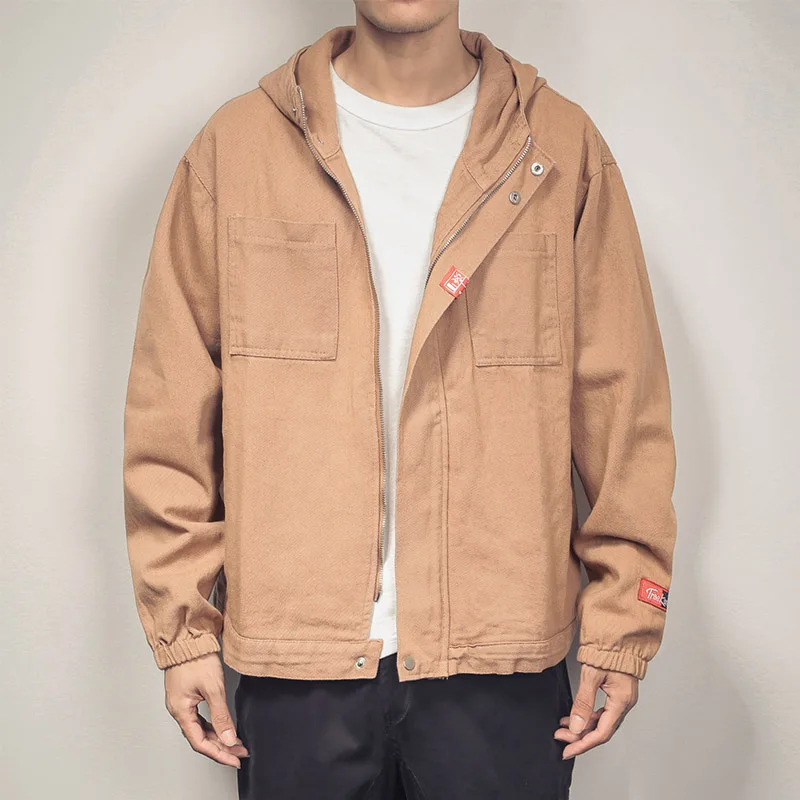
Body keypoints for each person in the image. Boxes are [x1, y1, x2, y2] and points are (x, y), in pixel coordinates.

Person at [122, 2, 678, 797]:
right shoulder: (237, 149)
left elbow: (625, 409)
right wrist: (181, 631)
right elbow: (169, 410)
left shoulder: (558, 146)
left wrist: (624, 624)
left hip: (500, 658)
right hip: (297, 664)